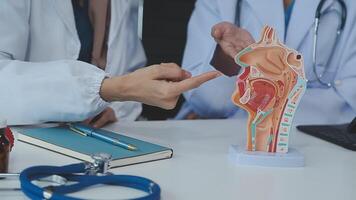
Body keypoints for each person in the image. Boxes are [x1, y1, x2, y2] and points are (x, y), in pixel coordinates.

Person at [0, 1, 221, 125]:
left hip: (101, 140)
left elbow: (128, 69)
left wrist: (114, 108)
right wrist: (109, 89)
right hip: (25, 145)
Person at [177, 0, 356, 124]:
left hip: (319, 146)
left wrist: (245, 111)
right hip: (223, 144)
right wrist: (229, 60)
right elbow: (205, 101)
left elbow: (349, 103)